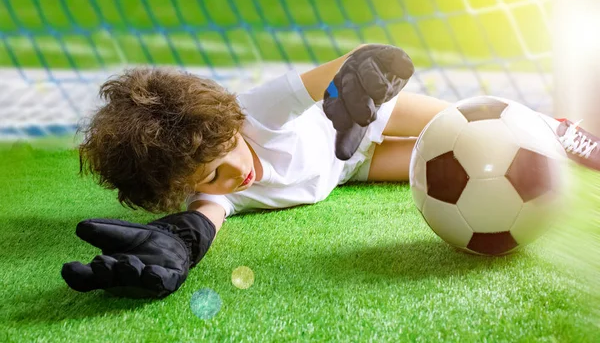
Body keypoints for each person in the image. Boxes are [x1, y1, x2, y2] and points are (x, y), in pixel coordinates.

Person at [61, 44, 600, 300]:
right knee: (436, 168)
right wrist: (177, 247)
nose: (233, 179)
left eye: (226, 156)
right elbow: (203, 220)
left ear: (225, 124)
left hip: (357, 120)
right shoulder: (207, 194)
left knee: (469, 129)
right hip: (349, 168)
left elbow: (332, 75)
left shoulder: (254, 112)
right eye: (208, 179)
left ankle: (549, 128)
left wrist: (363, 74)